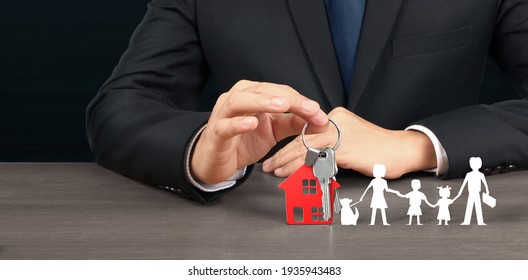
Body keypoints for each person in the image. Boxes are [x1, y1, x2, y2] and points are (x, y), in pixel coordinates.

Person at [86, 0, 528, 203]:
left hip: (438, 238)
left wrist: (414, 145)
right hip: (263, 238)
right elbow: (120, 105)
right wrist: (201, 150)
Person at [454, 157, 491, 225]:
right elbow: (464, 183)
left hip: (477, 192)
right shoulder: (469, 174)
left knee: (478, 206)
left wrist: (487, 191)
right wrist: (460, 191)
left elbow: (485, 183)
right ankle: (467, 221)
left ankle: (480, 221)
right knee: (469, 206)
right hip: (471, 192)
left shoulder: (481, 175)